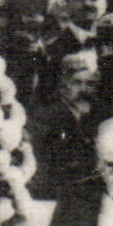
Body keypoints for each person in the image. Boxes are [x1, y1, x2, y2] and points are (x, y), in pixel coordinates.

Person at [27, 47, 101, 200]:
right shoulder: (49, 118)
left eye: (90, 84)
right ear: (62, 85)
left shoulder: (83, 118)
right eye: (77, 83)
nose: (85, 90)